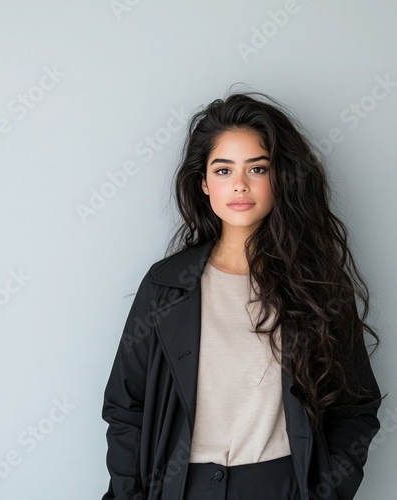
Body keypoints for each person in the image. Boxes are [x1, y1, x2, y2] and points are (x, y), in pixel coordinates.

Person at [101, 87, 384, 500]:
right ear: (202, 184)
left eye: (256, 169)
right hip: (182, 489)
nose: (239, 185)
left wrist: (327, 492)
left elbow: (355, 408)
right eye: (222, 170)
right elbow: (126, 408)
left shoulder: (318, 286)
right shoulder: (165, 285)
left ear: (280, 177)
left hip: (281, 486)